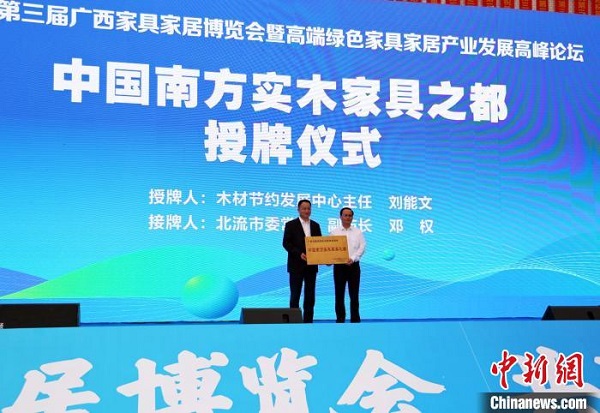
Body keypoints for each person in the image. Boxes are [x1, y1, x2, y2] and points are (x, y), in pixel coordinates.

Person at [282, 199, 322, 323]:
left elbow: (319, 244)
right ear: (298, 210)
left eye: (308, 208)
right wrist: (299, 254)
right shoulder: (291, 224)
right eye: (304, 208)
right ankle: (293, 321)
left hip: (311, 265)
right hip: (296, 265)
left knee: (310, 295)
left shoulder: (315, 225)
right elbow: (286, 243)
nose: (306, 211)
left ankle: (308, 321)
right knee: (295, 294)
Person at [330, 207, 366, 323]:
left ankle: (355, 319)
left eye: (350, 215)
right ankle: (340, 319)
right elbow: (330, 249)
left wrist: (353, 258)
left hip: (353, 266)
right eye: (345, 215)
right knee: (339, 294)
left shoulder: (358, 232)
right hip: (339, 267)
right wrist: (328, 260)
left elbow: (362, 247)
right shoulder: (334, 232)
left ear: (352, 217)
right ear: (340, 217)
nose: (347, 217)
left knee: (354, 295)